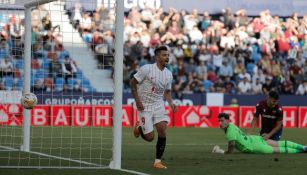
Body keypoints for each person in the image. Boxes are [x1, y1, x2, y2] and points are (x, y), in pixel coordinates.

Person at [130, 45, 177, 169]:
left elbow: (167, 92)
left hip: (158, 104)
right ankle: (139, 127)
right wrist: (137, 101)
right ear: (157, 57)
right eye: (164, 55)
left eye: (168, 55)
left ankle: (157, 161)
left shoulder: (168, 74)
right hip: (144, 106)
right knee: (150, 138)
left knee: (162, 129)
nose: (167, 57)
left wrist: (171, 103)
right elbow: (132, 83)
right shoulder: (146, 69)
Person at [212, 113, 307, 154]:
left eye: (222, 121)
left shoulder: (229, 131)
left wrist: (224, 152)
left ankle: (301, 151)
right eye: (219, 121)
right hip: (255, 138)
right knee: (280, 143)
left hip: (256, 147)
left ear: (228, 120)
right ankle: (303, 147)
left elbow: (232, 145)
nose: (220, 123)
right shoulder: (232, 125)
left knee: (280, 149)